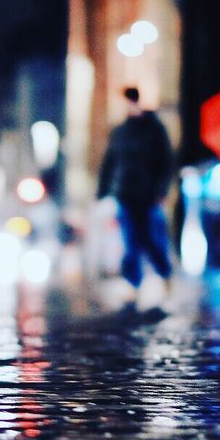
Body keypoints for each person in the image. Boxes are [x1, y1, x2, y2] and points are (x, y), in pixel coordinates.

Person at [97, 87, 174, 299]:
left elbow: (166, 161)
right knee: (130, 240)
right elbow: (109, 162)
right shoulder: (120, 132)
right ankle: (133, 282)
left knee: (151, 239)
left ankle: (164, 273)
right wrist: (103, 192)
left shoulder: (155, 129)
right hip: (125, 194)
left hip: (149, 195)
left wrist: (161, 190)